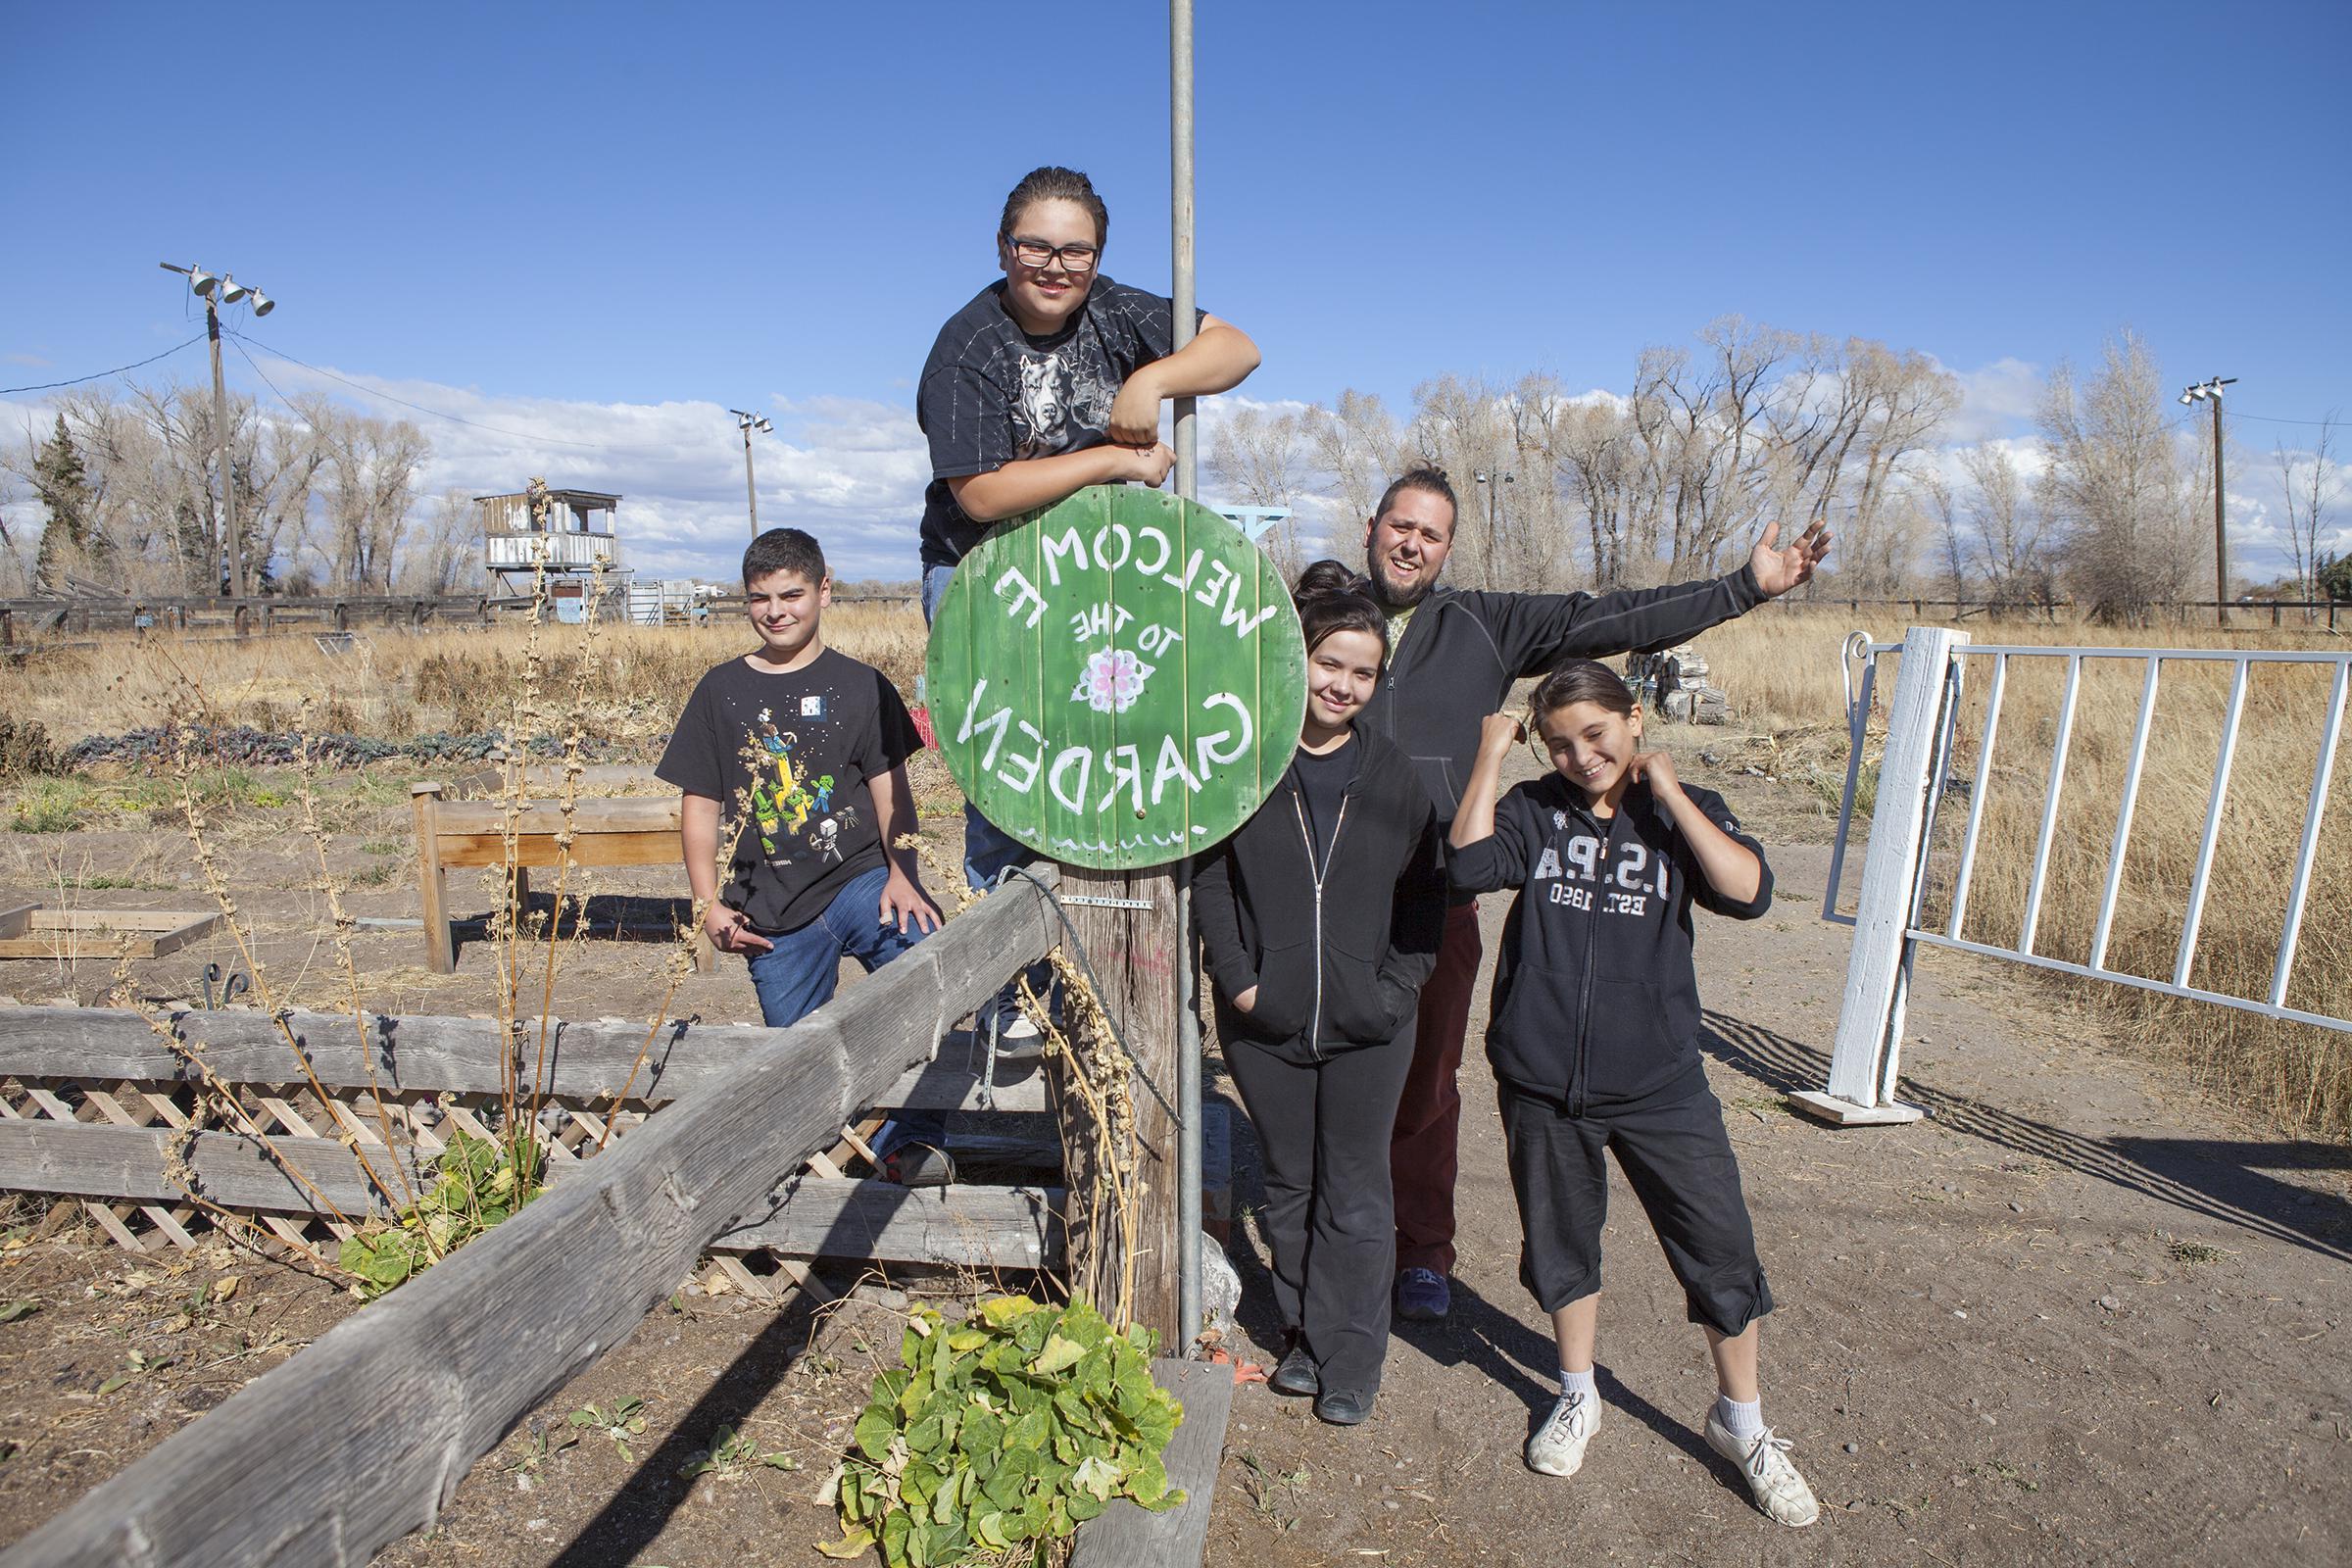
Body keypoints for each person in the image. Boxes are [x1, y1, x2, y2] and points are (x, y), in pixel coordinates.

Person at [1349, 466, 1830, 1324]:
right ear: (1371, 527)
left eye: (1430, 533)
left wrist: (1743, 588)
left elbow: (1606, 617)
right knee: (1327, 1080)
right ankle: (1333, 1246)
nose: (1411, 542)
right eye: (1399, 525)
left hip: (1431, 902)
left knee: (1425, 1085)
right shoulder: (1317, 619)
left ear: (1447, 548)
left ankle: (1421, 1249)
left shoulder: (1481, 625)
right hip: (1320, 898)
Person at [1447, 661, 1817, 1527]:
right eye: (1561, 742)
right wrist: (1493, 756)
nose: (1581, 756)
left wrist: (1674, 794)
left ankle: (1744, 1424)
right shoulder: (1533, 812)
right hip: (1543, 1083)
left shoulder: (1677, 812)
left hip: (1661, 1085)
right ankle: (1578, 1394)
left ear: (1635, 720)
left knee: (1720, 1249)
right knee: (1562, 1246)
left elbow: (1748, 891)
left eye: (1598, 735)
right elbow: (1464, 869)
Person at [916, 164, 1260, 1046]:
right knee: (1012, 765)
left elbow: (1238, 348)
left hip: (1094, 573)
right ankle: (1007, 993)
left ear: (1097, 255)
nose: (1057, 265)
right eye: (1037, 245)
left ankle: (1115, 966)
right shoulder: (967, 347)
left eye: (1077, 248)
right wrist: (1114, 458)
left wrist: (1151, 384)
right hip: (990, 574)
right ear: (1004, 248)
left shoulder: (1113, 308)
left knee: (1114, 756)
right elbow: (984, 494)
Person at [1193, 563, 1445, 1428]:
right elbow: (1212, 880)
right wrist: (1242, 982)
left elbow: (1425, 902)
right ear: (1296, 661)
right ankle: (1303, 1334)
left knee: (1356, 1190)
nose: (1342, 684)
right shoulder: (1248, 759)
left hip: (1368, 1026)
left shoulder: (1396, 778)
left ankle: (1352, 1356)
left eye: (1362, 671)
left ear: (1377, 681)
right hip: (1267, 1021)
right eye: (1328, 663)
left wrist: (1391, 993)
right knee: (1293, 1186)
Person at [657, 528, 946, 1165]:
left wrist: (906, 875)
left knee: (929, 971)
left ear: (824, 590)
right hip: (771, 908)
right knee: (796, 1059)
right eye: (760, 598)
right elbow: (700, 806)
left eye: (792, 594)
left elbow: (892, 791)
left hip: (858, 878)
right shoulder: (720, 692)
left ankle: (916, 1142)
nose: (776, 610)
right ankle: (817, 1162)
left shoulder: (861, 685)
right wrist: (707, 904)